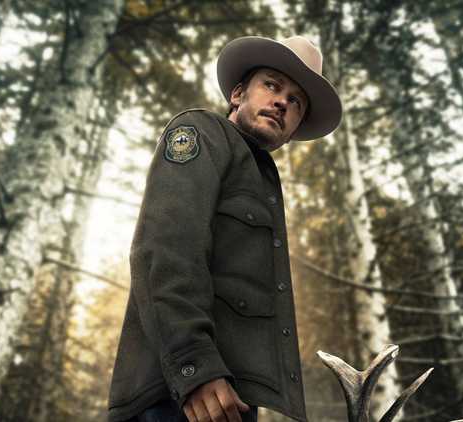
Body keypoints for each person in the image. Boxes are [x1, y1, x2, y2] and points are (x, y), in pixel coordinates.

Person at [107, 35, 343, 422]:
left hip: (227, 400)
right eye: (272, 85)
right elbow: (164, 250)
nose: (283, 101)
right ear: (237, 94)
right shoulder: (201, 132)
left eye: (296, 100)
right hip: (177, 395)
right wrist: (193, 367)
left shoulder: (262, 179)